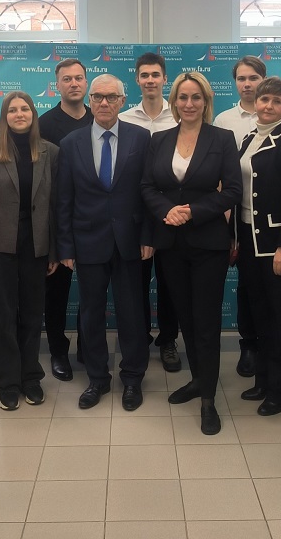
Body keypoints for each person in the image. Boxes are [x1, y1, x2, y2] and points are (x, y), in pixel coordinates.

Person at [142, 72, 241, 435]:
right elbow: (147, 186)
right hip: (170, 243)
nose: (189, 103)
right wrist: (166, 211)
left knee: (206, 322)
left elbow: (232, 191)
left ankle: (208, 400)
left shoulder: (222, 139)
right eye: (182, 97)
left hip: (208, 243)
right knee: (185, 318)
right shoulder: (160, 139)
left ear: (206, 101)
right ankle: (198, 380)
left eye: (196, 97)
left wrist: (192, 212)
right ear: (174, 102)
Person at [57, 74, 152, 412]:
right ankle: (97, 378)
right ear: (90, 100)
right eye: (98, 96)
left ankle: (133, 378)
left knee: (132, 313)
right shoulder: (71, 142)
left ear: (123, 101)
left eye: (112, 97)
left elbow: (148, 192)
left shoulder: (141, 138)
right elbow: (64, 199)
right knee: (91, 314)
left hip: (130, 241)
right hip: (87, 241)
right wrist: (65, 247)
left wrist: (148, 236)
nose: (104, 103)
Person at [0, 91, 58, 411]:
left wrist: (53, 251)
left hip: (36, 242)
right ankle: (7, 381)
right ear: (4, 116)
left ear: (33, 114)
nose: (19, 114)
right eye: (12, 110)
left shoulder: (50, 151)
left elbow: (55, 206)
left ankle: (31, 376)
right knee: (4, 314)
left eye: (25, 109)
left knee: (33, 313)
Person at [234, 77, 281, 416]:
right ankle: (264, 380)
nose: (268, 106)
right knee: (260, 315)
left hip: (278, 245)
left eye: (277, 102)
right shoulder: (249, 137)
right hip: (251, 242)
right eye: (264, 99)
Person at [119, 52, 182, 373]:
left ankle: (168, 340)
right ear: (137, 79)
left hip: (172, 213)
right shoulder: (125, 118)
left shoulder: (180, 116)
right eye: (144, 75)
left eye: (155, 75)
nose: (150, 80)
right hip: (134, 214)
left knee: (170, 282)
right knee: (137, 281)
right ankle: (139, 338)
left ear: (164, 78)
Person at [38, 59, 93, 381]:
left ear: (86, 83)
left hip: (93, 220)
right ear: (56, 85)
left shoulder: (99, 118)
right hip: (57, 219)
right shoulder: (44, 124)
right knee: (56, 291)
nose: (74, 83)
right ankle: (58, 350)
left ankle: (88, 346)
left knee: (92, 290)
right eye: (67, 79)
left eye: (79, 78)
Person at [212, 55, 266, 378]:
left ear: (263, 80)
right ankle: (248, 345)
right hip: (236, 214)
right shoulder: (224, 120)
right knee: (245, 284)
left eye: (253, 78)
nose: (247, 84)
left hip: (269, 218)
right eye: (241, 78)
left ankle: (269, 344)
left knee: (267, 286)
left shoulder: (279, 116)